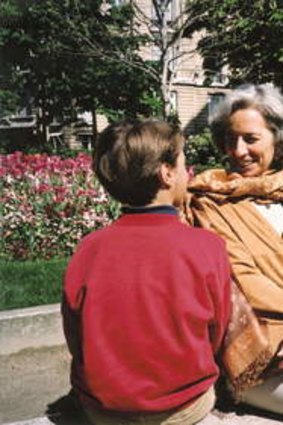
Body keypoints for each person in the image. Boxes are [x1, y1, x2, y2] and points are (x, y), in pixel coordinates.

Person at [62, 119, 231, 425]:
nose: (187, 173)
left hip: (105, 411)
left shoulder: (89, 248)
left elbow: (76, 336)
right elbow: (216, 333)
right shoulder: (208, 246)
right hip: (183, 407)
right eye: (183, 164)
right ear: (166, 173)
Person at [187, 83, 283, 415]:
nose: (239, 151)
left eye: (251, 139)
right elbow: (242, 279)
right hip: (263, 358)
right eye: (231, 140)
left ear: (277, 138)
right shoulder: (210, 202)